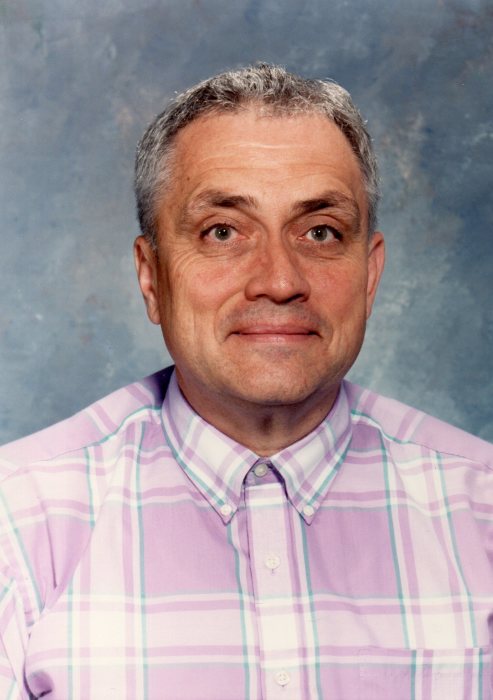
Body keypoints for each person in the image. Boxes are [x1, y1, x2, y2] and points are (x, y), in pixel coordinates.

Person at [0, 63, 491, 700]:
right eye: (223, 232)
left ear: (370, 276)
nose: (279, 280)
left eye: (320, 232)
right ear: (151, 277)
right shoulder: (18, 520)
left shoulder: (482, 511)